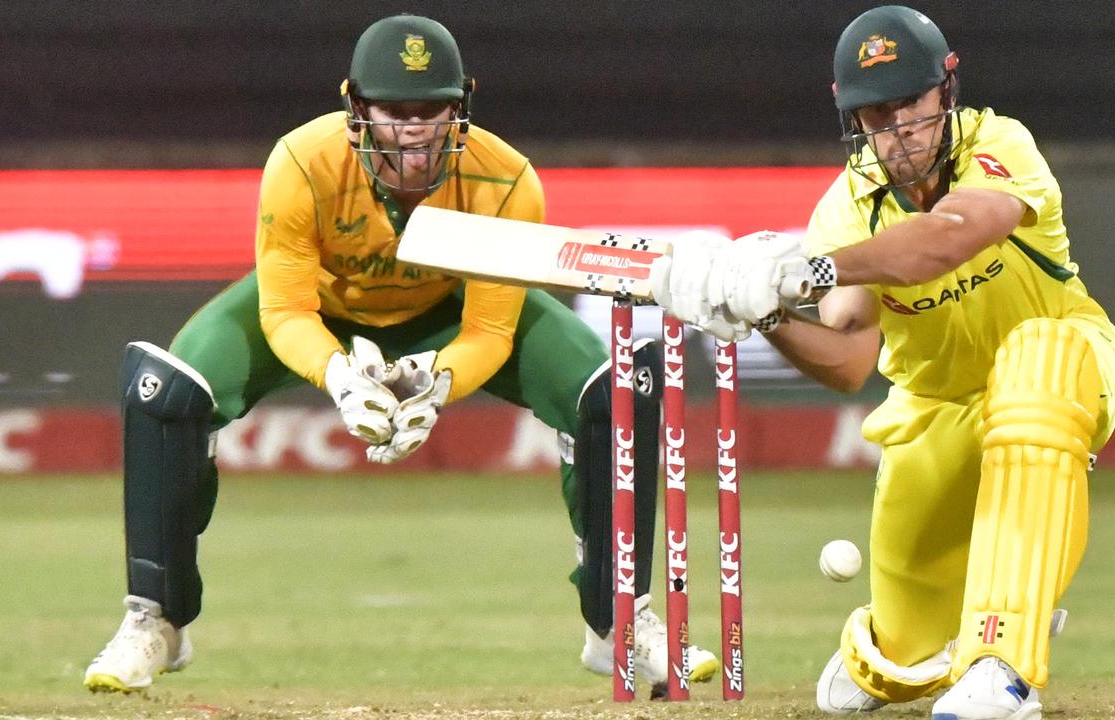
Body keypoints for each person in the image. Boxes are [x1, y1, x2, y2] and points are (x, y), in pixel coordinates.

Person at [83, 14, 716, 695]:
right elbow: (286, 310)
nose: (414, 134)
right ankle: (157, 621)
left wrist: (437, 385)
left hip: (447, 316)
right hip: (326, 309)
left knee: (617, 388)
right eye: (395, 113)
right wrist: (340, 378)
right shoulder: (302, 162)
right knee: (164, 390)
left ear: (461, 106)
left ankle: (620, 621)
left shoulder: (506, 182)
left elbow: (490, 333)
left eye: (432, 111)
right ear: (356, 109)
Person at [650, 5, 1115, 719]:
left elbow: (942, 243)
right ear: (853, 120)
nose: (898, 131)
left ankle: (1005, 658)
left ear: (946, 90)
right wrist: (761, 316)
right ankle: (924, 644)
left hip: (1066, 360)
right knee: (892, 660)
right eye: (876, 116)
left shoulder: (999, 144)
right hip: (934, 408)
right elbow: (847, 360)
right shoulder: (846, 208)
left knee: (1037, 369)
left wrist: (804, 271)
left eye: (911, 104)